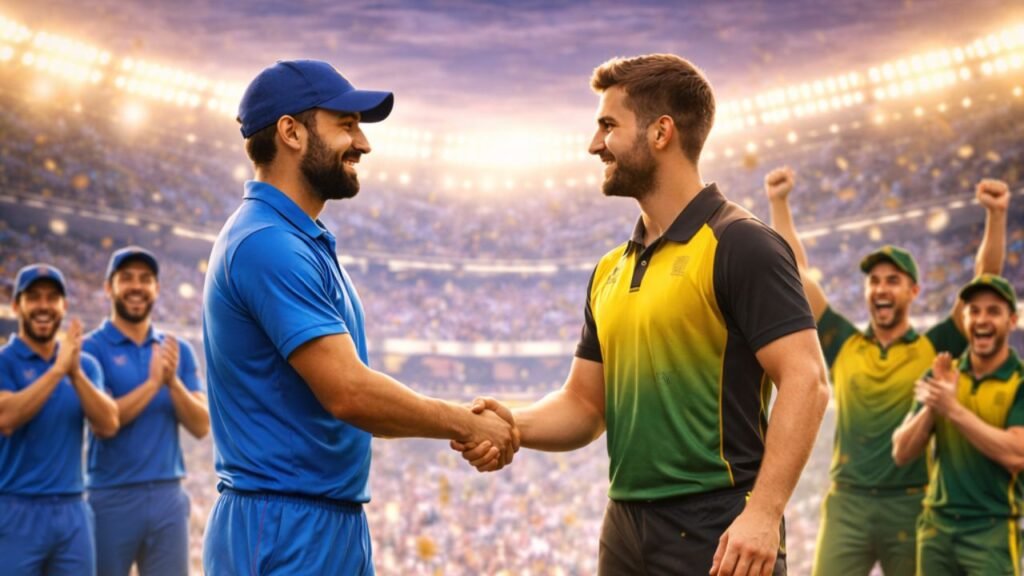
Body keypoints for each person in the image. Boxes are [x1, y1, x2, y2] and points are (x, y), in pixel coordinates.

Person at [455, 54, 830, 576]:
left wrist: (764, 513)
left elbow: (807, 380)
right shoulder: (610, 268)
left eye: (608, 125)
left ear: (661, 133)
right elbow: (585, 405)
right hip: (624, 526)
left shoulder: (741, 243)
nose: (593, 144)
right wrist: (512, 425)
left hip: (720, 528)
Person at [201, 59, 517, 575]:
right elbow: (349, 392)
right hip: (282, 529)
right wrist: (464, 422)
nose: (363, 143)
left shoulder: (298, 239)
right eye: (346, 124)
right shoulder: (268, 244)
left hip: (322, 521)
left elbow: (352, 407)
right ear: (291, 133)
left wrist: (460, 424)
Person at [764, 168, 1009, 576]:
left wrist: (996, 216)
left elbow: (985, 280)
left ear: (913, 292)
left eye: (893, 281)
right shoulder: (844, 343)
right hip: (847, 504)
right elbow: (797, 274)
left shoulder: (934, 348)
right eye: (874, 281)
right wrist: (779, 203)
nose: (880, 289)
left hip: (911, 504)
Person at [83, 247, 210, 576]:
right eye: (126, 279)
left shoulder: (177, 349)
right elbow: (103, 423)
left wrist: (172, 383)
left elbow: (200, 425)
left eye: (146, 279)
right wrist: (154, 384)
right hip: (110, 495)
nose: (136, 286)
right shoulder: (89, 350)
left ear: (156, 288)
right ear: (109, 287)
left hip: (169, 494)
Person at [892, 274, 1024, 576]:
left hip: (992, 529)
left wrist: (952, 409)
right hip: (936, 528)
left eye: (993, 311)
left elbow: (1017, 454)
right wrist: (932, 406)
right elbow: (900, 451)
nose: (982, 319)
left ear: (1012, 321)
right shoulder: (941, 375)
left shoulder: (1020, 381)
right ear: (964, 320)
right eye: (973, 311)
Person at [0, 264, 120, 576]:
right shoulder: (4, 362)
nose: (44, 306)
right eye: (34, 297)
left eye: (52, 298)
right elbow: (6, 417)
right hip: (15, 508)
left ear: (64, 306)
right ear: (17, 305)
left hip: (73, 509)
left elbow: (108, 425)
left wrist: (75, 372)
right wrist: (57, 371)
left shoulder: (85, 365)